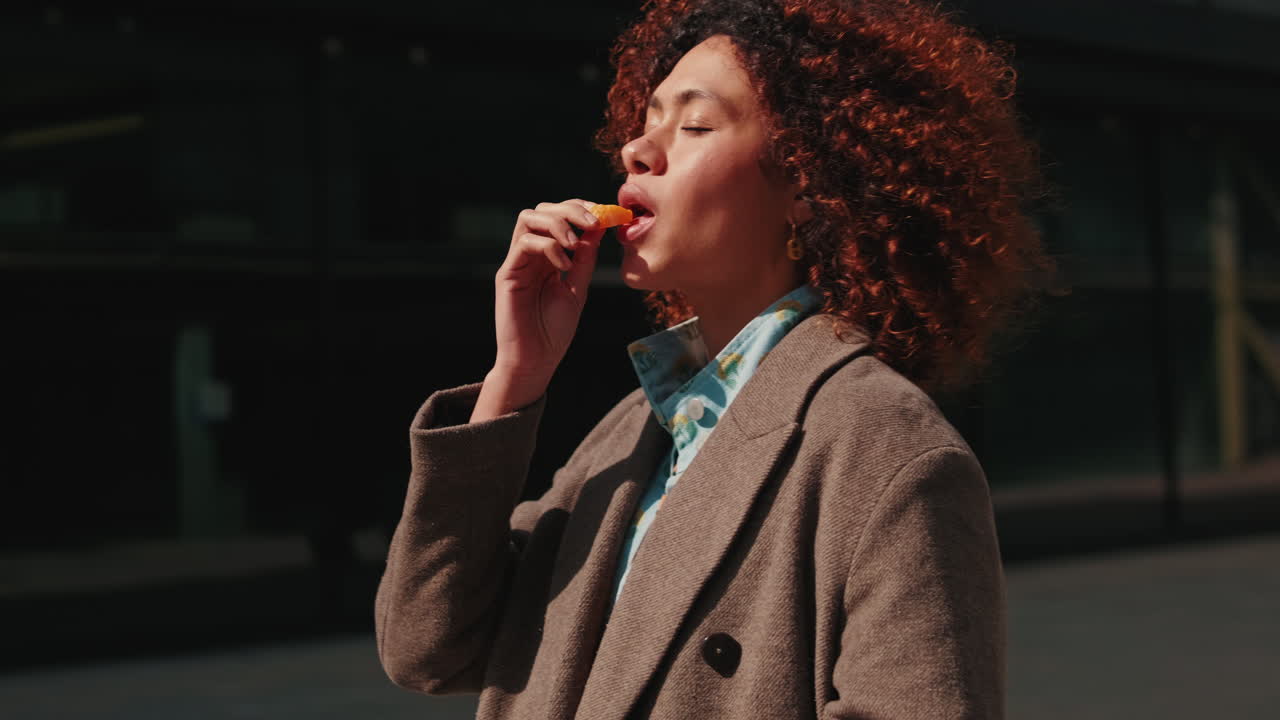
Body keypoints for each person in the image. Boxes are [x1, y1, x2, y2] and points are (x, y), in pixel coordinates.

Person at [375, 0, 1056, 718]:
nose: (640, 149)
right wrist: (515, 378)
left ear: (805, 182)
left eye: (695, 124)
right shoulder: (633, 431)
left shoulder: (885, 448)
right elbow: (428, 648)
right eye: (647, 120)